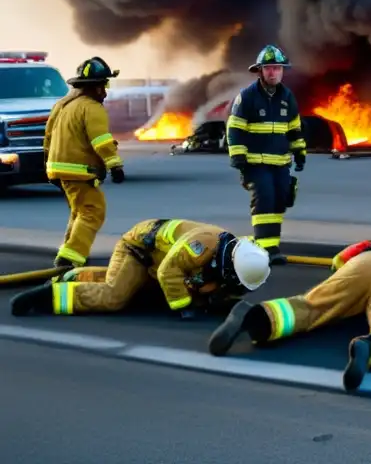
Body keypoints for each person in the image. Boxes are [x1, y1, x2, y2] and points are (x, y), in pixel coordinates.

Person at [207, 226, 371, 392]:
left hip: (363, 262)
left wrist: (348, 291)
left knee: (309, 306)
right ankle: (369, 347)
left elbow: (339, 260)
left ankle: (252, 316)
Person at [10, 219, 271, 318]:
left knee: (145, 293)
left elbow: (222, 286)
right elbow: (169, 273)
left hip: (160, 259)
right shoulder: (199, 247)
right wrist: (185, 308)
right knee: (116, 297)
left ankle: (76, 277)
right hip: (139, 250)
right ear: (229, 265)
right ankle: (49, 297)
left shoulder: (237, 253)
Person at [227, 44, 306, 266]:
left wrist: (299, 151)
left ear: (282, 71)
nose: (273, 72)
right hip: (255, 163)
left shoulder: (287, 96)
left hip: (280, 163)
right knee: (265, 201)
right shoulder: (248, 97)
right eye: (269, 68)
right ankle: (266, 249)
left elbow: (294, 128)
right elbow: (235, 128)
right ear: (260, 71)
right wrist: (238, 156)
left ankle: (269, 244)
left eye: (277, 68)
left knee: (280, 200)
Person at [43, 57, 126, 270]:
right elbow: (101, 140)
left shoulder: (62, 105)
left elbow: (48, 137)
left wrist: (49, 167)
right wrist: (114, 164)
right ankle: (71, 259)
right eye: (104, 85)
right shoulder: (92, 108)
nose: (105, 92)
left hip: (58, 168)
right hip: (79, 169)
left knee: (79, 212)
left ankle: (69, 252)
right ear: (95, 87)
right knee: (92, 211)